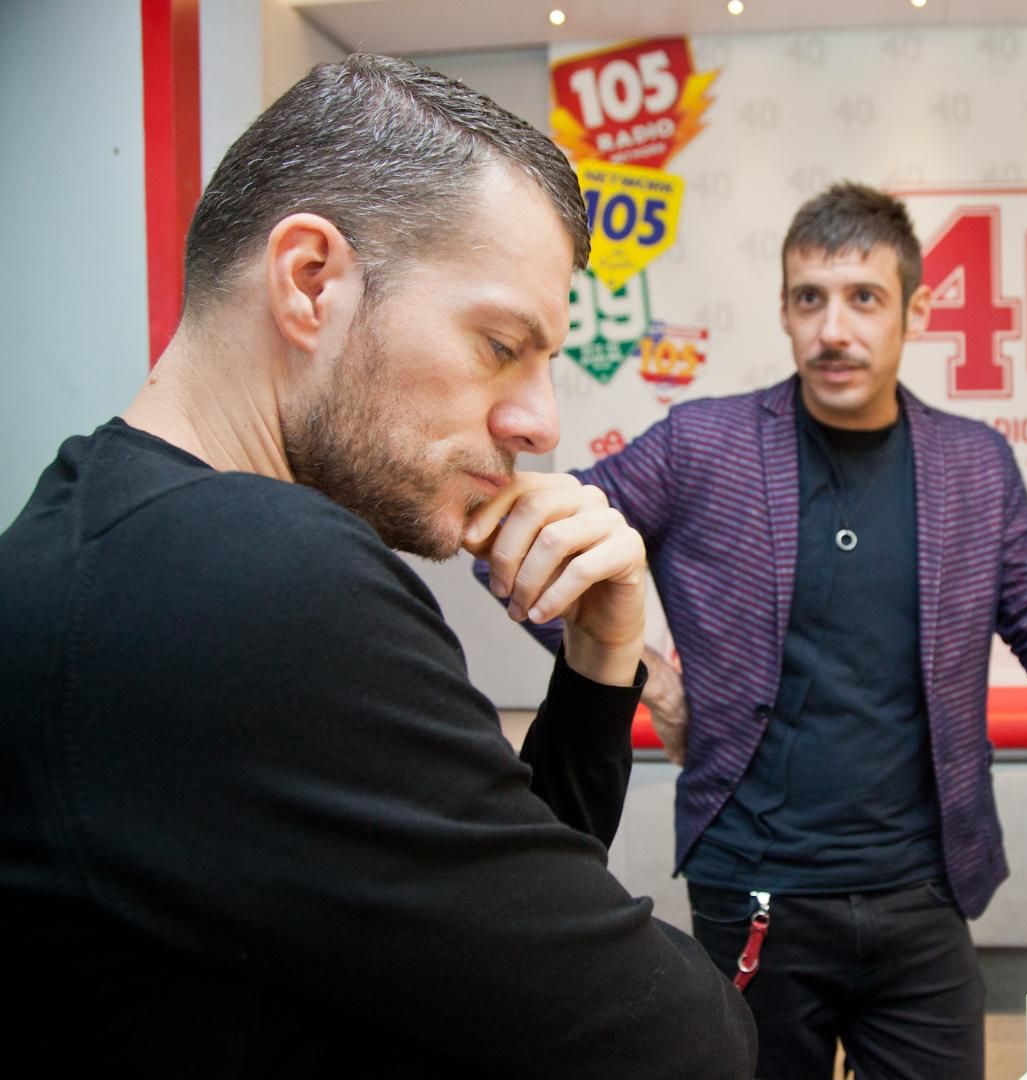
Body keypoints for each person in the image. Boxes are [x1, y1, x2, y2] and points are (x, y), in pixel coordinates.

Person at [481, 182, 1027, 1080]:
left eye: (864, 298)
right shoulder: (705, 444)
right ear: (783, 310)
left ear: (914, 312)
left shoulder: (973, 464)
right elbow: (518, 535)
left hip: (926, 891)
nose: (834, 329)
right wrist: (646, 679)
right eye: (810, 298)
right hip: (754, 888)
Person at [0, 54, 754, 1078]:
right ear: (311, 281)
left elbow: (495, 946)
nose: (540, 423)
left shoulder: (90, 531)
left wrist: (598, 659)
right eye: (501, 345)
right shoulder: (270, 582)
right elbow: (675, 1042)